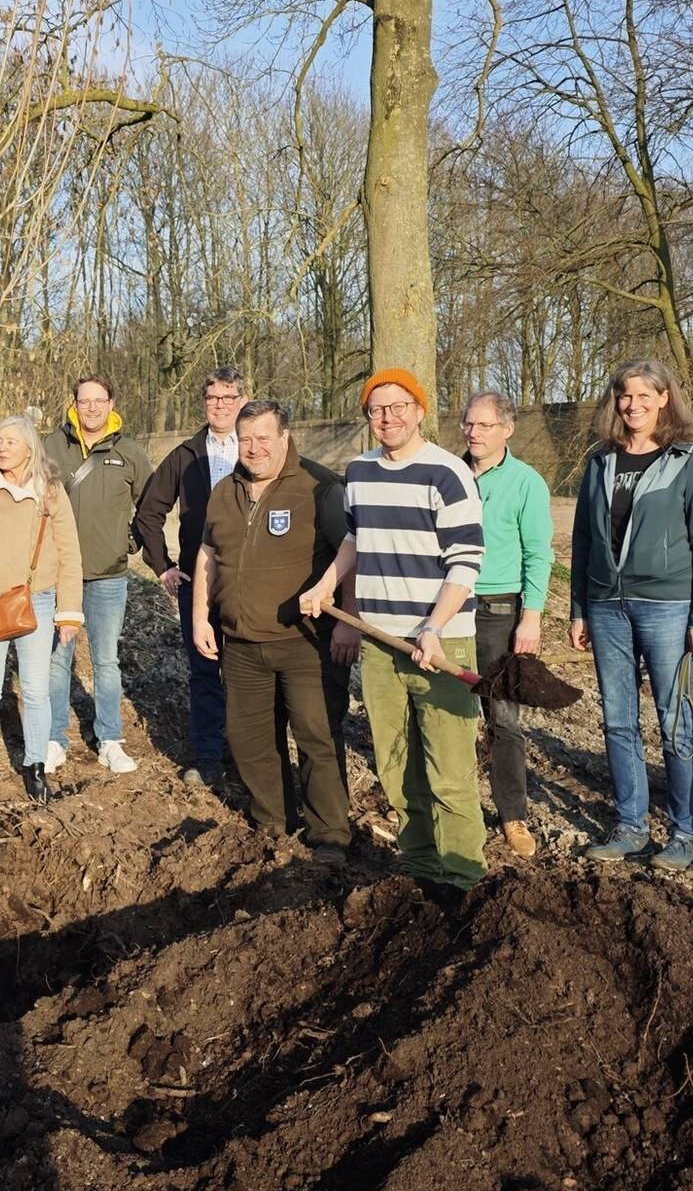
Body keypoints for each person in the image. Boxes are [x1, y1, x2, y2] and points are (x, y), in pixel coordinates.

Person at [301, 367, 487, 893]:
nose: (388, 417)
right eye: (377, 409)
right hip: (380, 641)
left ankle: (463, 875)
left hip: (439, 641)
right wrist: (324, 585)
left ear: (420, 410)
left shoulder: (449, 473)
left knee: (449, 768)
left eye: (398, 406)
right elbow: (354, 543)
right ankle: (420, 866)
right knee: (396, 764)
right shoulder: (358, 471)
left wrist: (433, 628)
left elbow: (466, 563)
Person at [569, 358, 693, 874]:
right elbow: (583, 541)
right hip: (606, 605)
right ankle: (631, 826)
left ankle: (683, 832)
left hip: (667, 607)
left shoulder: (687, 460)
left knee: (675, 720)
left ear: (664, 399)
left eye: (643, 396)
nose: (632, 405)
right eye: (624, 396)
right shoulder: (600, 462)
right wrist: (578, 609)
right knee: (617, 720)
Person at [192, 400, 352, 865]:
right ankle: (273, 823)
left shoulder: (319, 486)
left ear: (285, 437)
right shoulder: (225, 492)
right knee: (251, 740)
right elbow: (207, 554)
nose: (254, 448)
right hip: (240, 644)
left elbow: (352, 552)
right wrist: (202, 616)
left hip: (306, 643)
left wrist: (347, 622)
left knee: (317, 737)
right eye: (245, 439)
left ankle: (330, 836)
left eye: (264, 438)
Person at [0, 415, 82, 802]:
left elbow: (69, 553)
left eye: (11, 441)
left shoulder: (50, 490)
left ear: (30, 448)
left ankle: (35, 766)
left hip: (38, 602)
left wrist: (69, 611)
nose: (2, 447)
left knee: (35, 690)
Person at [133, 365, 247, 785]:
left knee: (247, 668)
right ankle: (207, 755)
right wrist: (163, 565)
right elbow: (148, 513)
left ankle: (248, 752)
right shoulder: (185, 455)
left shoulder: (255, 448)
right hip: (198, 583)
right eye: (213, 398)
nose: (219, 406)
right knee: (204, 667)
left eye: (228, 398)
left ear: (243, 401)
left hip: (249, 580)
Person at [42, 376, 153, 777]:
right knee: (57, 660)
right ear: (73, 403)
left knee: (106, 660)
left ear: (111, 403)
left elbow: (152, 503)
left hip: (109, 575)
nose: (91, 408)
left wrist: (130, 540)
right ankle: (54, 739)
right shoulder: (50, 447)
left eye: (99, 401)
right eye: (84, 401)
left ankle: (110, 739)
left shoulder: (130, 453)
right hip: (58, 575)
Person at [460, 391, 554, 860]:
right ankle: (453, 808)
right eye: (468, 425)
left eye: (484, 425)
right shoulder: (447, 474)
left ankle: (512, 814)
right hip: (448, 609)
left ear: (507, 430)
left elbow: (539, 553)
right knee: (449, 714)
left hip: (500, 611)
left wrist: (531, 616)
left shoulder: (525, 482)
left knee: (503, 718)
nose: (473, 433)